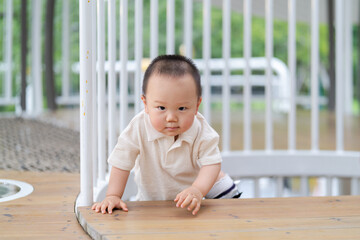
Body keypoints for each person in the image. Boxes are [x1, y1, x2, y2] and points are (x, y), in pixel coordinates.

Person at [92, 55, 241, 216]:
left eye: (182, 108)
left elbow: (212, 164)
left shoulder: (201, 130)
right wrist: (113, 195)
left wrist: (197, 190)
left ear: (197, 105)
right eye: (161, 108)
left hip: (189, 200)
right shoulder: (139, 127)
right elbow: (122, 161)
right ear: (146, 104)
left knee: (222, 188)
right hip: (151, 202)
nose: (171, 117)